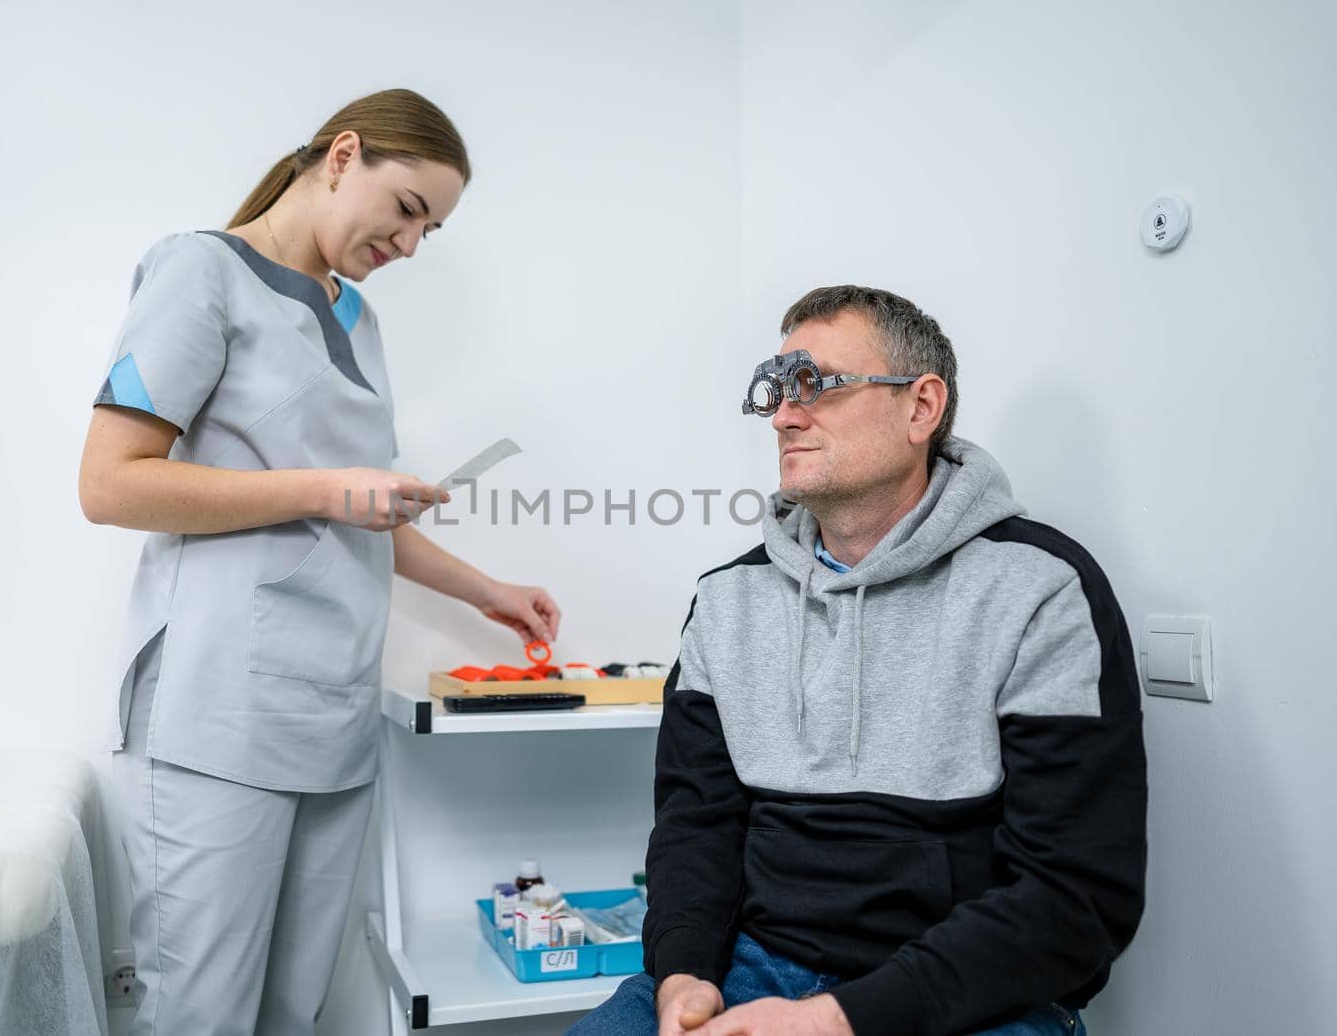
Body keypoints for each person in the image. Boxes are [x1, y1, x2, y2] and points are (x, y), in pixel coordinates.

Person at [78, 88, 560, 1036]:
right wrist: (325, 488)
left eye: (433, 230)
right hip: (219, 714)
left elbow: (361, 510)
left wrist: (489, 592)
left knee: (292, 1014)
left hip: (331, 711)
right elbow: (110, 484)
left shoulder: (358, 317)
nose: (412, 245)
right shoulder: (200, 273)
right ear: (344, 155)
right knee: (201, 1014)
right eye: (410, 210)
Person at [570, 286, 1146, 1036]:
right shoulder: (727, 600)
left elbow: (1076, 897)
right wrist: (683, 975)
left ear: (921, 407)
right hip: (752, 965)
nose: (783, 414)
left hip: (967, 993)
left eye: (817, 384)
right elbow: (695, 825)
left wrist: (836, 1019)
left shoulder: (1040, 590)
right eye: (776, 389)